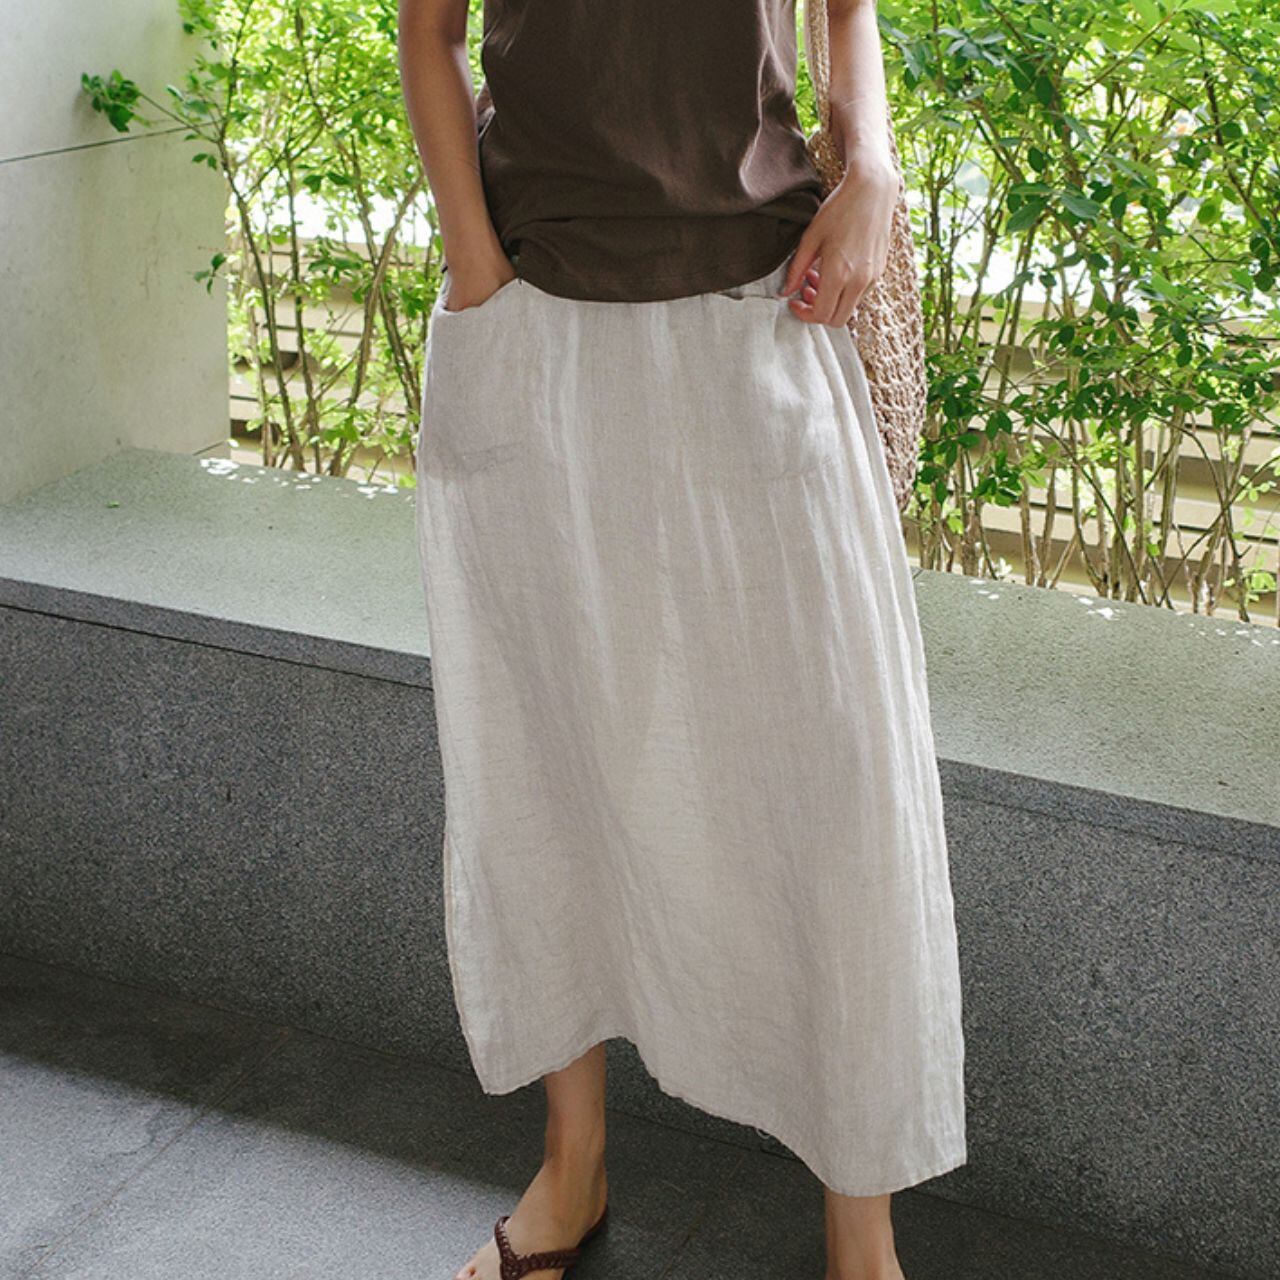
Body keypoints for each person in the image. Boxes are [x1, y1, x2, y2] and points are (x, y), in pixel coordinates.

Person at [397, 0, 967, 1276]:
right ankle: (573, 1163)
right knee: (550, 760)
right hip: (535, 315)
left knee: (837, 786)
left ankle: (860, 1231)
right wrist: (476, 266)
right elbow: (427, 30)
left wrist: (871, 163)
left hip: (765, 313)